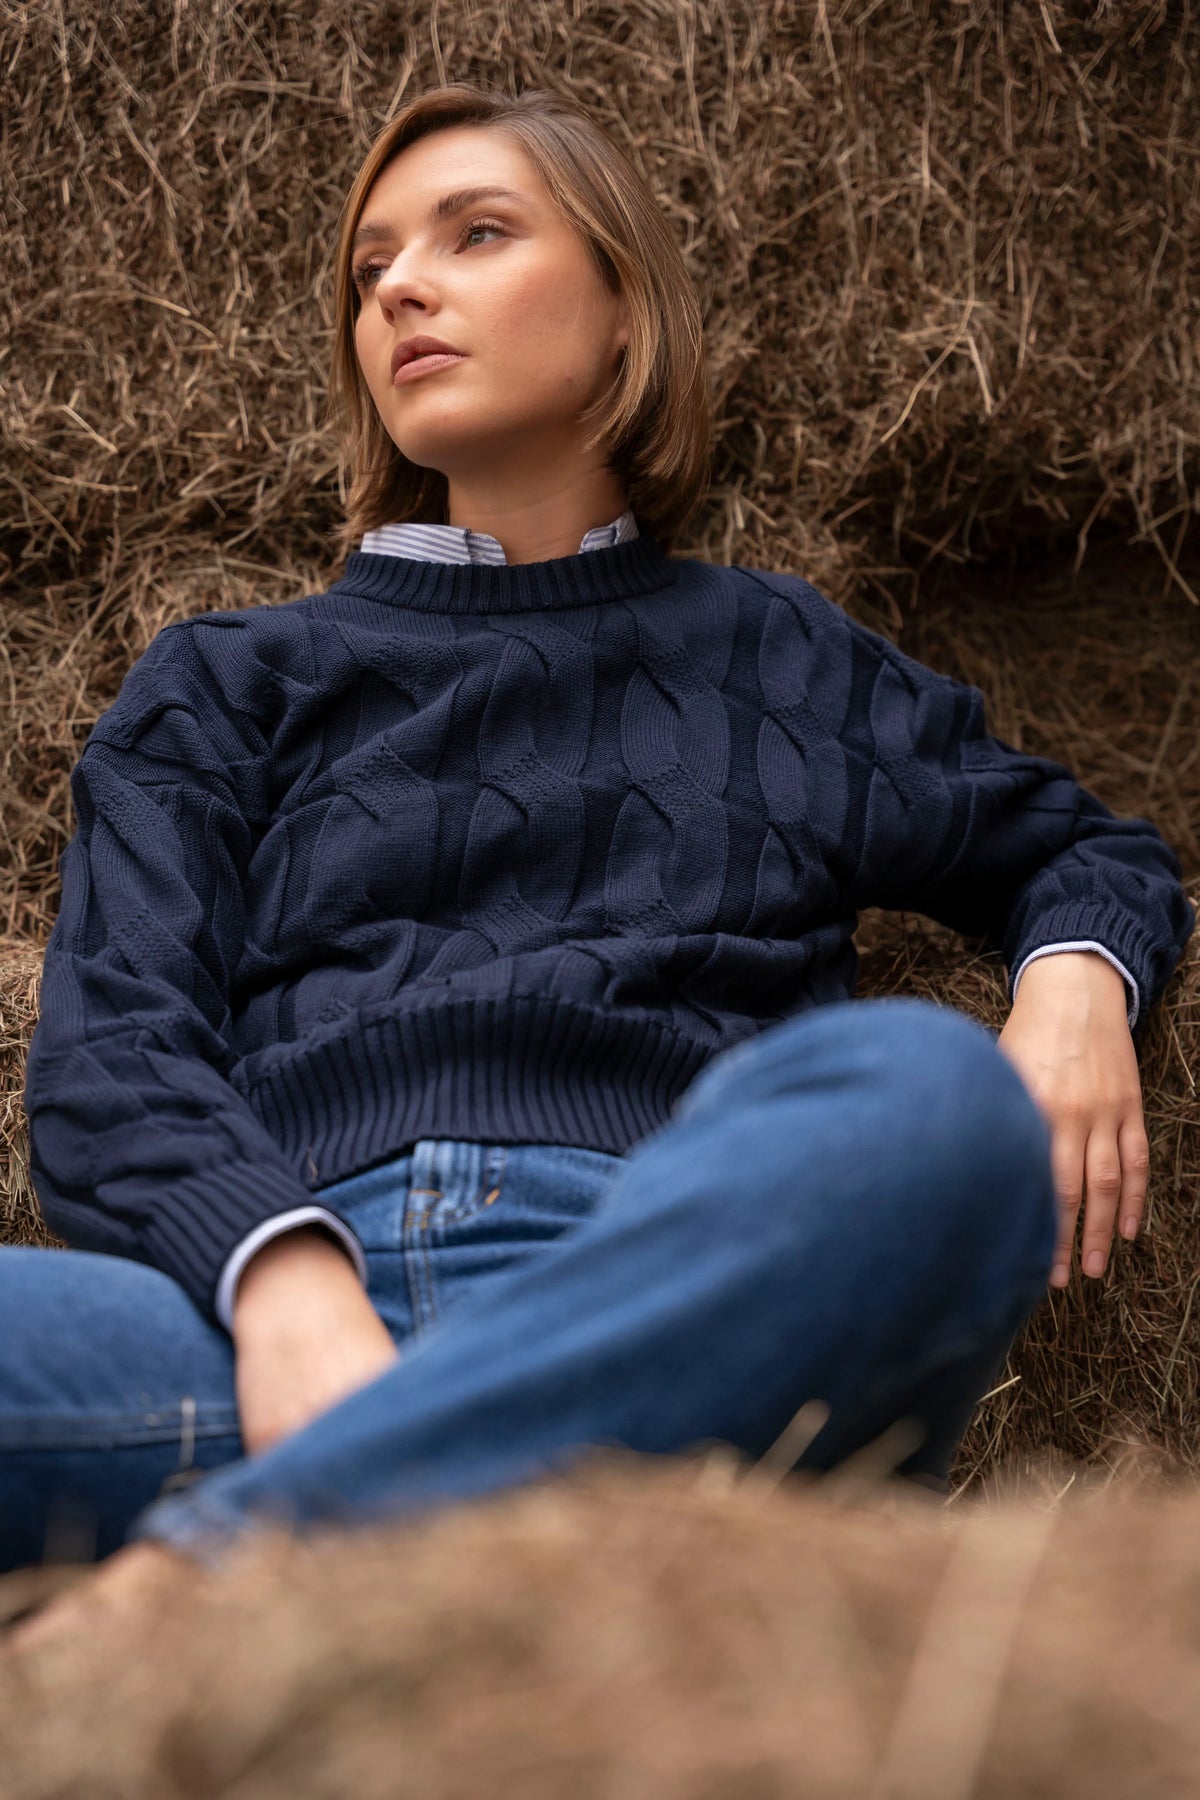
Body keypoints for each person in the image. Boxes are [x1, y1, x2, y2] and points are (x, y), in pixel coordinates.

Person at [3, 80, 1193, 1640]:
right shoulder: (226, 683)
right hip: (268, 1341)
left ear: (627, 311)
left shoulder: (772, 656)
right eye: (371, 267)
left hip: (678, 1295)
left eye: (475, 234)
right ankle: (440, 1487)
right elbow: (112, 1058)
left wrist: (1075, 985)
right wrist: (286, 1286)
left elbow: (1085, 848)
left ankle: (228, 1567)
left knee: (935, 1101)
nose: (400, 288)